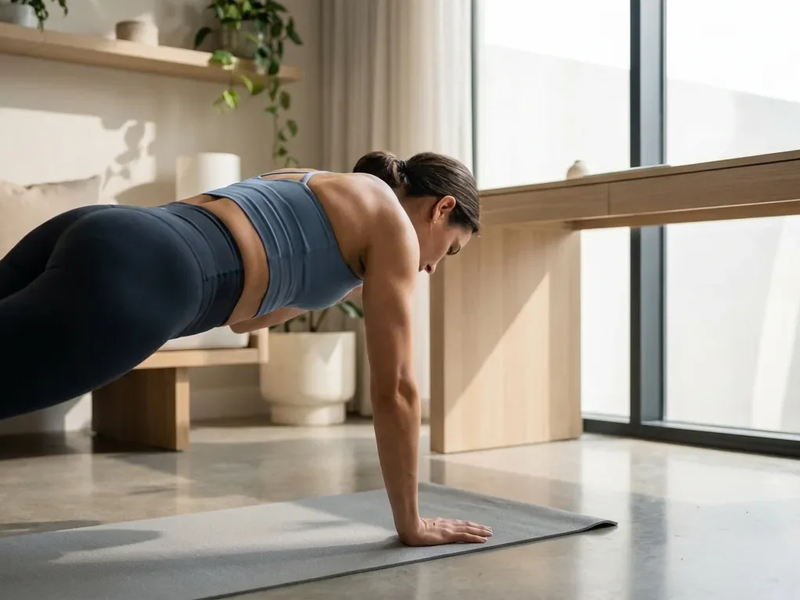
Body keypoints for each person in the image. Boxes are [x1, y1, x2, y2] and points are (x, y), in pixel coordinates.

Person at [0, 150, 493, 547]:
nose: (432, 267)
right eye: (449, 249)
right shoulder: (395, 230)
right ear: (441, 208)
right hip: (144, 276)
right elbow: (397, 390)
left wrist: (343, 284)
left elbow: (245, 320)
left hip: (102, 227)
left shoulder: (315, 179)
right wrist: (412, 523)